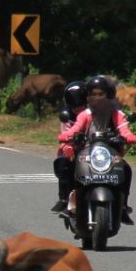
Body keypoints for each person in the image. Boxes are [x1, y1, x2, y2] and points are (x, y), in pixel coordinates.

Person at [55, 74, 136, 224]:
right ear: (88, 96)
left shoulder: (116, 114)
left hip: (109, 152)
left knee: (126, 169)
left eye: (101, 94)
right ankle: (70, 201)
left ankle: (124, 206)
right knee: (71, 167)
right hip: (87, 152)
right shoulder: (84, 115)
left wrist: (128, 136)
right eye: (93, 94)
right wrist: (68, 136)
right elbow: (76, 128)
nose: (97, 97)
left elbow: (123, 128)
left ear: (109, 95)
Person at [50, 80, 87, 212]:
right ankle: (64, 198)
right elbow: (65, 135)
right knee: (64, 161)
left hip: (93, 145)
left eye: (82, 104)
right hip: (73, 145)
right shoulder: (66, 115)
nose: (78, 109)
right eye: (75, 106)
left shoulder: (95, 111)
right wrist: (71, 144)